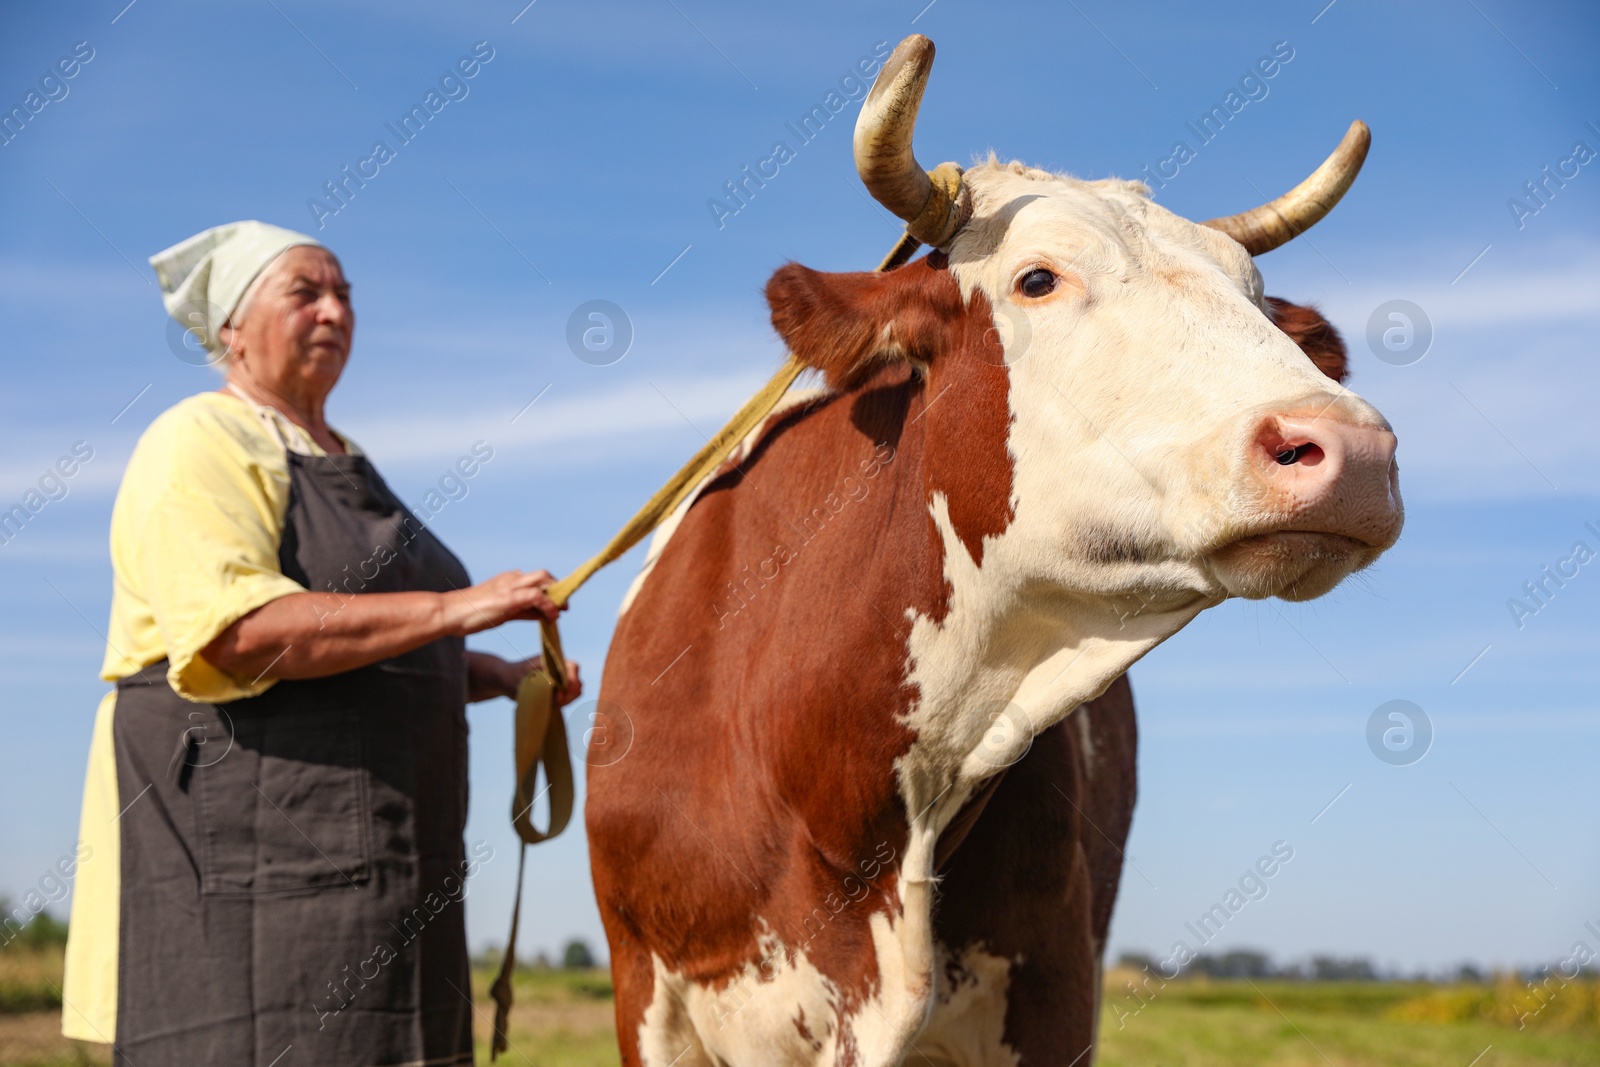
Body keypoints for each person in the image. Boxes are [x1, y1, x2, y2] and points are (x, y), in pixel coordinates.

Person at [61, 221, 580, 1065]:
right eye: (305, 292)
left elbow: (385, 654)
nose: (335, 311)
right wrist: (455, 610)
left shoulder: (350, 459)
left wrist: (499, 674)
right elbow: (237, 634)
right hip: (258, 873)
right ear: (233, 327)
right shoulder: (199, 440)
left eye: (343, 294)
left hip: (399, 875)